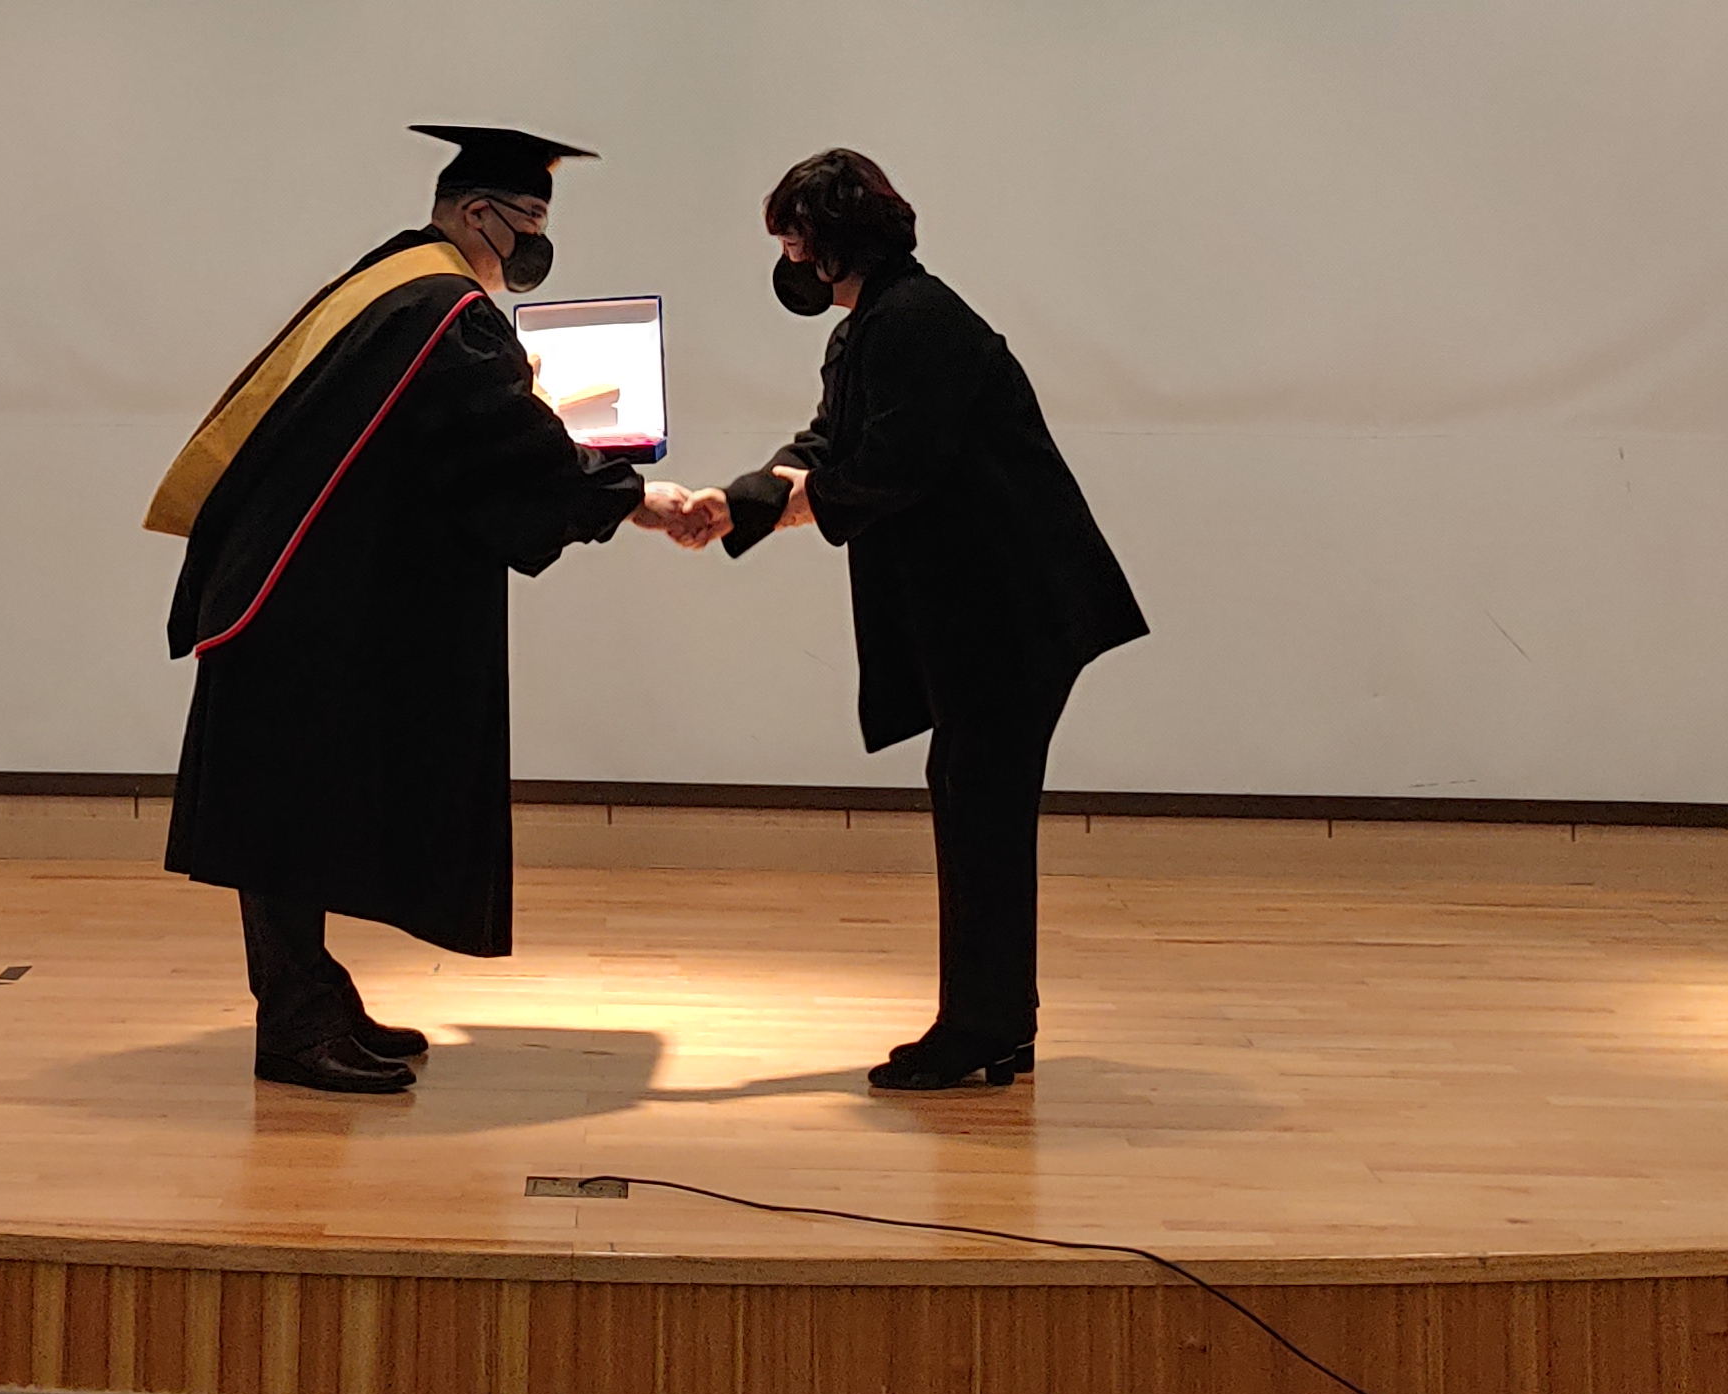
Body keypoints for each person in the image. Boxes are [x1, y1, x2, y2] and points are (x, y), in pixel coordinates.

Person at [149, 124, 709, 1093]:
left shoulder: (394, 280)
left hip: (298, 593)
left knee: (296, 809)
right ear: (477, 212)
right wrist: (636, 498)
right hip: (307, 608)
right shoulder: (445, 310)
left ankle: (314, 995)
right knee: (288, 817)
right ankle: (295, 1023)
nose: (536, 240)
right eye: (528, 218)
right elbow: (505, 445)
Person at [691, 148, 1145, 1090]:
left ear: (829, 241)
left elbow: (886, 470)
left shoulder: (916, 322)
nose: (786, 256)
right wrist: (737, 503)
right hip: (985, 606)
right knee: (974, 795)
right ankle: (994, 1022)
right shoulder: (875, 322)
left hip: (1014, 607)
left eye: (792, 237)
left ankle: (980, 1027)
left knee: (981, 803)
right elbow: (829, 440)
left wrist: (761, 511)